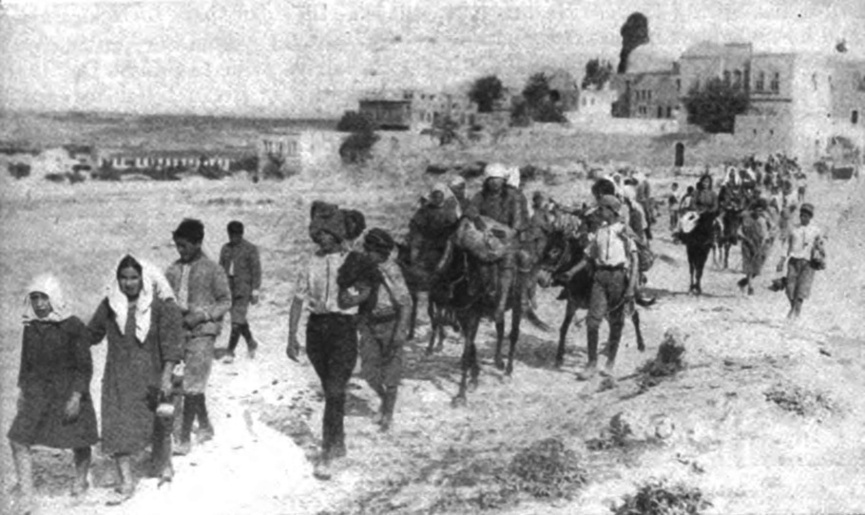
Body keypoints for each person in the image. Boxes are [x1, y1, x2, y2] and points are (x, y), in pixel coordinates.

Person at [87, 255, 183, 504]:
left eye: (134, 277)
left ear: (143, 279)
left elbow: (171, 345)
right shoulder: (109, 306)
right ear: (116, 279)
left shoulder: (158, 307)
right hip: (118, 378)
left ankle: (164, 466)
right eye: (123, 277)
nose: (128, 283)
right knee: (116, 425)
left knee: (158, 421)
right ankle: (126, 482)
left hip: (151, 374)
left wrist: (166, 376)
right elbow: (92, 334)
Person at [8, 275, 99, 513]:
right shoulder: (31, 327)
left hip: (69, 391)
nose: (39, 304)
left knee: (79, 439)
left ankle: (80, 479)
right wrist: (21, 390)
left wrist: (77, 396)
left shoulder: (74, 326)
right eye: (34, 298)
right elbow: (25, 363)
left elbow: (84, 366)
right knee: (17, 438)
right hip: (37, 392)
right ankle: (27, 495)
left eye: (44, 298)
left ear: (55, 298)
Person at [287, 208, 359, 480]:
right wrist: (291, 336)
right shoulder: (310, 262)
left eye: (329, 233)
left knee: (334, 389)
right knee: (331, 389)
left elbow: (367, 291)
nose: (324, 238)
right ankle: (338, 438)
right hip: (316, 331)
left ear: (339, 234)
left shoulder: (352, 260)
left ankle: (327, 452)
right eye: (320, 233)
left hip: (343, 329)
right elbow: (298, 299)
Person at [165, 219, 231, 456]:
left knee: (193, 382)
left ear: (198, 243)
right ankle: (204, 425)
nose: (180, 251)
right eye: (177, 246)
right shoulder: (172, 270)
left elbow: (225, 301)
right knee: (185, 380)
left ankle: (183, 438)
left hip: (203, 333)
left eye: (184, 246)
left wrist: (202, 315)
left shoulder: (213, 269)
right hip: (179, 331)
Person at [337, 229, 411, 432]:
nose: (369, 254)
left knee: (391, 373)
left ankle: (388, 414)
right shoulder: (364, 267)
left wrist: (400, 331)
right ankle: (385, 399)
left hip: (390, 323)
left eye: (373, 251)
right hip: (369, 323)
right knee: (369, 372)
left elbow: (405, 303)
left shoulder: (391, 270)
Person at [573, 194, 639, 381]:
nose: (599, 212)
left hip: (618, 277)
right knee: (592, 322)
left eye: (602, 209)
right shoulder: (600, 231)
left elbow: (634, 259)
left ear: (611, 211)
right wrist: (571, 272)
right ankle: (591, 363)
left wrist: (631, 288)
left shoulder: (624, 230)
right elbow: (588, 256)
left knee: (616, 322)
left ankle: (610, 363)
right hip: (600, 277)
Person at [465, 162, 527, 322]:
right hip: (486, 238)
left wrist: (510, 233)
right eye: (491, 179)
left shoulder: (513, 197)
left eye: (498, 179)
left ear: (503, 180)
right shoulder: (480, 196)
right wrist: (476, 218)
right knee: (475, 260)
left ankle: (502, 303)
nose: (494, 182)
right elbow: (471, 209)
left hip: (507, 238)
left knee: (508, 262)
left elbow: (518, 222)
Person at [219, 220, 262, 363]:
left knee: (236, 323)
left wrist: (255, 290)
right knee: (239, 319)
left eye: (236, 235)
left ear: (241, 234)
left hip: (244, 290)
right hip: (228, 289)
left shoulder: (250, 249)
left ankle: (230, 351)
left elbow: (256, 271)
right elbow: (220, 269)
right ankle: (251, 342)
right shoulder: (225, 249)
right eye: (231, 235)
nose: (233, 238)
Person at [778, 203, 823, 320]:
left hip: (808, 263)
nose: (804, 218)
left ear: (810, 217)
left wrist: (820, 249)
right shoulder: (793, 229)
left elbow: (821, 245)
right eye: (802, 215)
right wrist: (782, 260)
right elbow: (786, 245)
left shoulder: (816, 230)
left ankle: (795, 313)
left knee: (801, 289)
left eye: (806, 216)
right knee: (789, 288)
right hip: (793, 261)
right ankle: (794, 308)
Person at [737, 198, 772, 295]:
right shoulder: (747, 219)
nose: (759, 212)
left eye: (761, 211)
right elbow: (739, 231)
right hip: (747, 244)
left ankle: (743, 282)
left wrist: (766, 240)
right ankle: (750, 287)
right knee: (749, 265)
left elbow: (769, 231)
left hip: (760, 245)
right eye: (757, 210)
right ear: (753, 209)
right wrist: (746, 239)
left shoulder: (763, 219)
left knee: (757, 268)